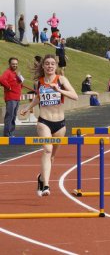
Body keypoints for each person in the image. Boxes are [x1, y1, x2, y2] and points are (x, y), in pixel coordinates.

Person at [20, 54, 78, 197]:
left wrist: (59, 90)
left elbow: (75, 96)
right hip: (44, 121)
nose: (50, 66)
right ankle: (46, 185)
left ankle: (41, 178)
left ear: (56, 66)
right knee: (47, 150)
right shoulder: (39, 82)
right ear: (43, 66)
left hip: (60, 124)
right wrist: (28, 108)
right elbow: (39, 97)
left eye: (52, 64)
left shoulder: (61, 80)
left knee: (52, 156)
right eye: (47, 64)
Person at [0, 58, 24, 137]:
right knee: (9, 116)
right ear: (9, 64)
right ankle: (7, 134)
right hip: (10, 98)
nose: (15, 65)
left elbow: (21, 84)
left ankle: (11, 133)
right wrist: (8, 87)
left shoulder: (15, 73)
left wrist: (19, 77)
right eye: (13, 64)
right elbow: (2, 79)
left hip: (17, 97)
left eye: (16, 64)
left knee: (13, 116)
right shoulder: (7, 72)